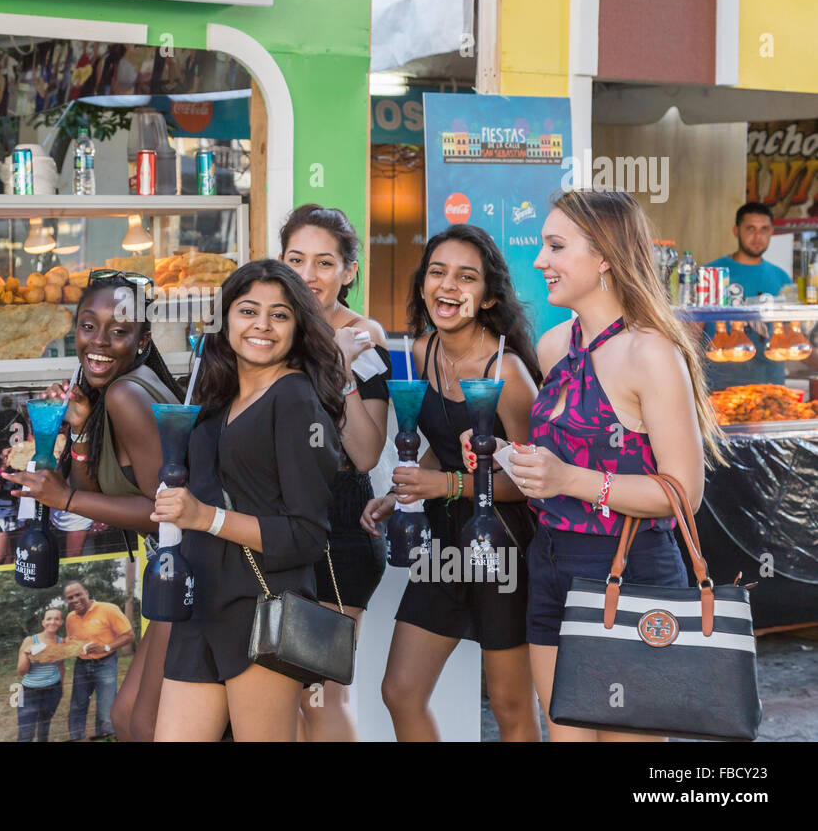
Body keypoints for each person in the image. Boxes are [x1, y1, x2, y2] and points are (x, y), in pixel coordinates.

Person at [506, 187, 725, 742]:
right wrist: (510, 460)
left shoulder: (650, 351)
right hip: (551, 561)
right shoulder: (556, 344)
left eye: (556, 246)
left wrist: (568, 479)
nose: (540, 262)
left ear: (604, 255)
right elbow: (560, 459)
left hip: (628, 570)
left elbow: (683, 493)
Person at [360, 224, 542, 741]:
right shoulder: (419, 351)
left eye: (467, 277)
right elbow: (439, 458)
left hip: (506, 550)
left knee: (510, 708)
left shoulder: (508, 371)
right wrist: (400, 496)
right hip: (442, 546)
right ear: (422, 285)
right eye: (438, 272)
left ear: (487, 298)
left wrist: (447, 487)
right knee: (400, 691)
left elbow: (535, 484)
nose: (449, 286)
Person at [153, 260, 343, 742]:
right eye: (248, 310)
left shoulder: (296, 401)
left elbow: (307, 534)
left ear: (298, 327)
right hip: (199, 603)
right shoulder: (213, 397)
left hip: (261, 607)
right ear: (225, 319)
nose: (262, 324)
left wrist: (205, 517)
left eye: (279, 315)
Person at [1, 268, 183, 742]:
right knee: (126, 720)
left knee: (144, 725)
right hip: (169, 574)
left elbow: (166, 512)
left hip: (190, 573)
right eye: (88, 325)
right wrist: (79, 425)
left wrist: (64, 497)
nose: (98, 341)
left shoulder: (126, 394)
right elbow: (104, 487)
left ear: (141, 341)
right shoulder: (111, 393)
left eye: (119, 330)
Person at [278, 204, 390, 741]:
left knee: (319, 696)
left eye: (325, 263)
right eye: (296, 259)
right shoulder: (268, 329)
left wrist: (339, 370)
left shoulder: (363, 337)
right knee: (283, 695)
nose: (308, 275)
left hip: (336, 525)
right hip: (271, 523)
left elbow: (366, 453)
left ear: (348, 271)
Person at [702, 203, 793, 389]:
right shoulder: (711, 273)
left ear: (771, 232)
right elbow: (692, 332)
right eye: (750, 228)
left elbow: (790, 337)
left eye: (764, 229)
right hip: (718, 387)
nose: (758, 236)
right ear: (736, 231)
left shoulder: (781, 278)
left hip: (771, 387)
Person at [61, 580, 134, 740]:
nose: (75, 600)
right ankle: (76, 738)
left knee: (106, 709)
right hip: (81, 664)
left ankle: (104, 737)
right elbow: (71, 638)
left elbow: (129, 636)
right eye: (70, 597)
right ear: (67, 601)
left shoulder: (108, 609)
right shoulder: (70, 618)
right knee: (77, 706)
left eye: (78, 594)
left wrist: (106, 647)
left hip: (105, 663)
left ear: (86, 593)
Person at [15, 607, 66, 742]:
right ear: (43, 622)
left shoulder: (61, 642)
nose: (52, 622)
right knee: (26, 732)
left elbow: (61, 666)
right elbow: (21, 672)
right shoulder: (31, 640)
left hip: (53, 690)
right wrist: (26, 654)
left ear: (61, 622)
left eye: (56, 618)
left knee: (44, 726)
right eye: (49, 618)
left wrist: (61, 687)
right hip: (29, 692)